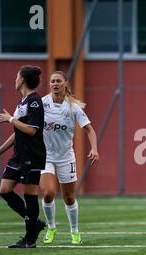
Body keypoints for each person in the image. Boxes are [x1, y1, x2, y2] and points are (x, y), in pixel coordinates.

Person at [0, 65, 46, 248]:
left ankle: (30, 239)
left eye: (16, 77)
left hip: (32, 155)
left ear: (22, 80)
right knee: (4, 190)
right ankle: (34, 224)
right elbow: (18, 133)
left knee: (30, 197)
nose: (15, 79)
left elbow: (31, 130)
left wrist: (11, 119)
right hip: (18, 155)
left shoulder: (35, 101)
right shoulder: (23, 102)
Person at [40, 71, 99, 245]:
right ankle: (51, 227)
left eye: (58, 81)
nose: (55, 84)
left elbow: (89, 129)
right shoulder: (42, 104)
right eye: (52, 81)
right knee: (48, 193)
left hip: (66, 157)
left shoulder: (73, 107)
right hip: (45, 157)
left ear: (65, 83)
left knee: (69, 198)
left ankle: (75, 230)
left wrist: (94, 148)